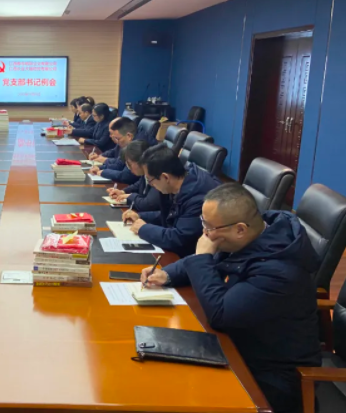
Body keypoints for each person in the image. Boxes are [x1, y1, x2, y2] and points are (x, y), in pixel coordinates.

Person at [141, 183, 321, 413]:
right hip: (238, 346)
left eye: (209, 227)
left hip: (271, 376)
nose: (205, 234)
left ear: (240, 229)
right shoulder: (251, 237)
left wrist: (201, 258)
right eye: (203, 223)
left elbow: (221, 314)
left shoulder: (278, 270)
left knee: (170, 390)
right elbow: (210, 262)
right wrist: (167, 274)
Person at [123, 144, 221, 257]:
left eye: (150, 180)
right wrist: (140, 216)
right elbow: (171, 215)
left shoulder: (198, 198)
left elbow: (179, 239)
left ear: (165, 177)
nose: (151, 185)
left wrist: (143, 229)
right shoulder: (180, 180)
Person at [90, 117, 158, 184]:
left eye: (117, 138)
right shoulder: (126, 139)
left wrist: (103, 171)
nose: (116, 141)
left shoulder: (138, 146)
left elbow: (126, 176)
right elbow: (118, 160)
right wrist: (100, 165)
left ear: (129, 136)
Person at [107, 141, 163, 212]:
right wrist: (123, 191)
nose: (129, 168)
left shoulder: (156, 176)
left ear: (140, 162)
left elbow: (146, 205)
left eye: (129, 164)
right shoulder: (145, 173)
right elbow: (139, 184)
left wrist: (130, 197)